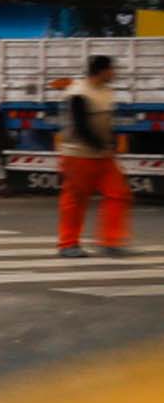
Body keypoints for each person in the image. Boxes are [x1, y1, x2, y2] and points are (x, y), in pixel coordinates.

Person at [57, 52, 132, 259]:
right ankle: (68, 244)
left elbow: (107, 122)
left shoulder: (107, 92)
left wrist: (111, 144)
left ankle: (111, 241)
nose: (114, 73)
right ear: (102, 71)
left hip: (102, 156)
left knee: (118, 193)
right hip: (77, 155)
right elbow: (80, 126)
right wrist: (100, 145)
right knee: (76, 199)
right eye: (111, 69)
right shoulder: (78, 93)